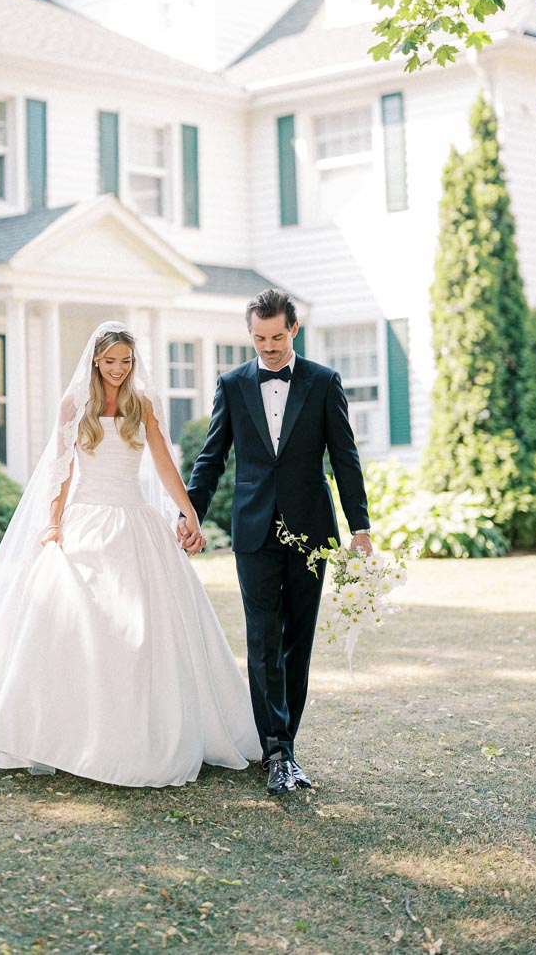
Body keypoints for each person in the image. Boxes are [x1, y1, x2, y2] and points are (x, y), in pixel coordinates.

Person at [0, 321, 260, 788]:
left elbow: (162, 461)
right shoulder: (75, 404)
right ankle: (58, 732)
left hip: (135, 520)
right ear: (96, 360)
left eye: (126, 361)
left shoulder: (144, 404)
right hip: (86, 519)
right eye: (110, 361)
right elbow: (61, 468)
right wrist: (53, 523)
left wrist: (189, 514)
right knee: (70, 616)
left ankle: (139, 731)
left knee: (147, 625)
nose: (118, 370)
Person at [184, 289, 371, 795]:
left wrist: (360, 527)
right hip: (253, 531)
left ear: (294, 330)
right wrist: (191, 514)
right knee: (262, 638)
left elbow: (345, 457)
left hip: (311, 529)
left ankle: (284, 741)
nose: (267, 347)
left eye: (276, 336)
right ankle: (278, 752)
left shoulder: (323, 382)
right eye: (258, 338)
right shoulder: (232, 384)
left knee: (297, 642)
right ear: (250, 335)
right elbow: (211, 458)